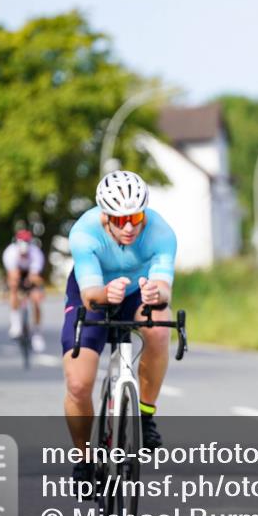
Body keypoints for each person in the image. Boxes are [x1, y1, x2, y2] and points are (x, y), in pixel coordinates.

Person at [61, 170, 178, 483]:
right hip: (94, 292)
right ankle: (84, 458)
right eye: (118, 219)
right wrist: (104, 294)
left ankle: (146, 414)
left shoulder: (161, 232)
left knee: (158, 327)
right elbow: (89, 294)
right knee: (78, 384)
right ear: (104, 217)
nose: (128, 226)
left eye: (135, 216)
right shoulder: (83, 233)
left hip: (138, 289)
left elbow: (164, 287)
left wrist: (157, 293)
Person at [3, 229, 47, 352]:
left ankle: (37, 333)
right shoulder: (10, 253)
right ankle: (15, 322)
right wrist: (17, 283)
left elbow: (35, 276)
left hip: (31, 274)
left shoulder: (36, 253)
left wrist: (33, 283)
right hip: (16, 273)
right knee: (13, 285)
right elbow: (12, 274)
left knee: (36, 298)